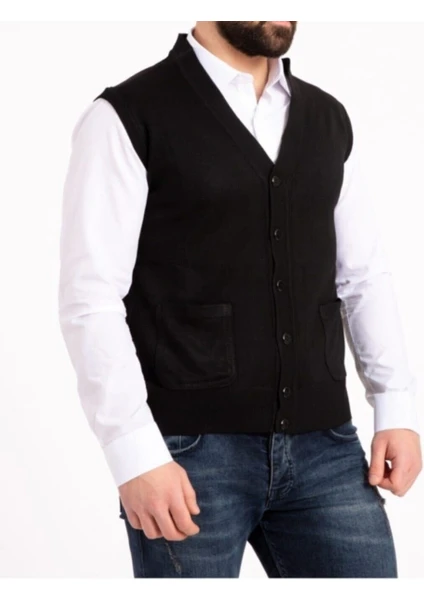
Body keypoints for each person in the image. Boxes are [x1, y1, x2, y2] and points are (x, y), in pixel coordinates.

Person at [59, 21, 422, 578]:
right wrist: (133, 452)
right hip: (186, 453)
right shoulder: (128, 115)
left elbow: (362, 275)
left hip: (327, 446)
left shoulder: (326, 118)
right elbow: (91, 298)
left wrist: (394, 406)